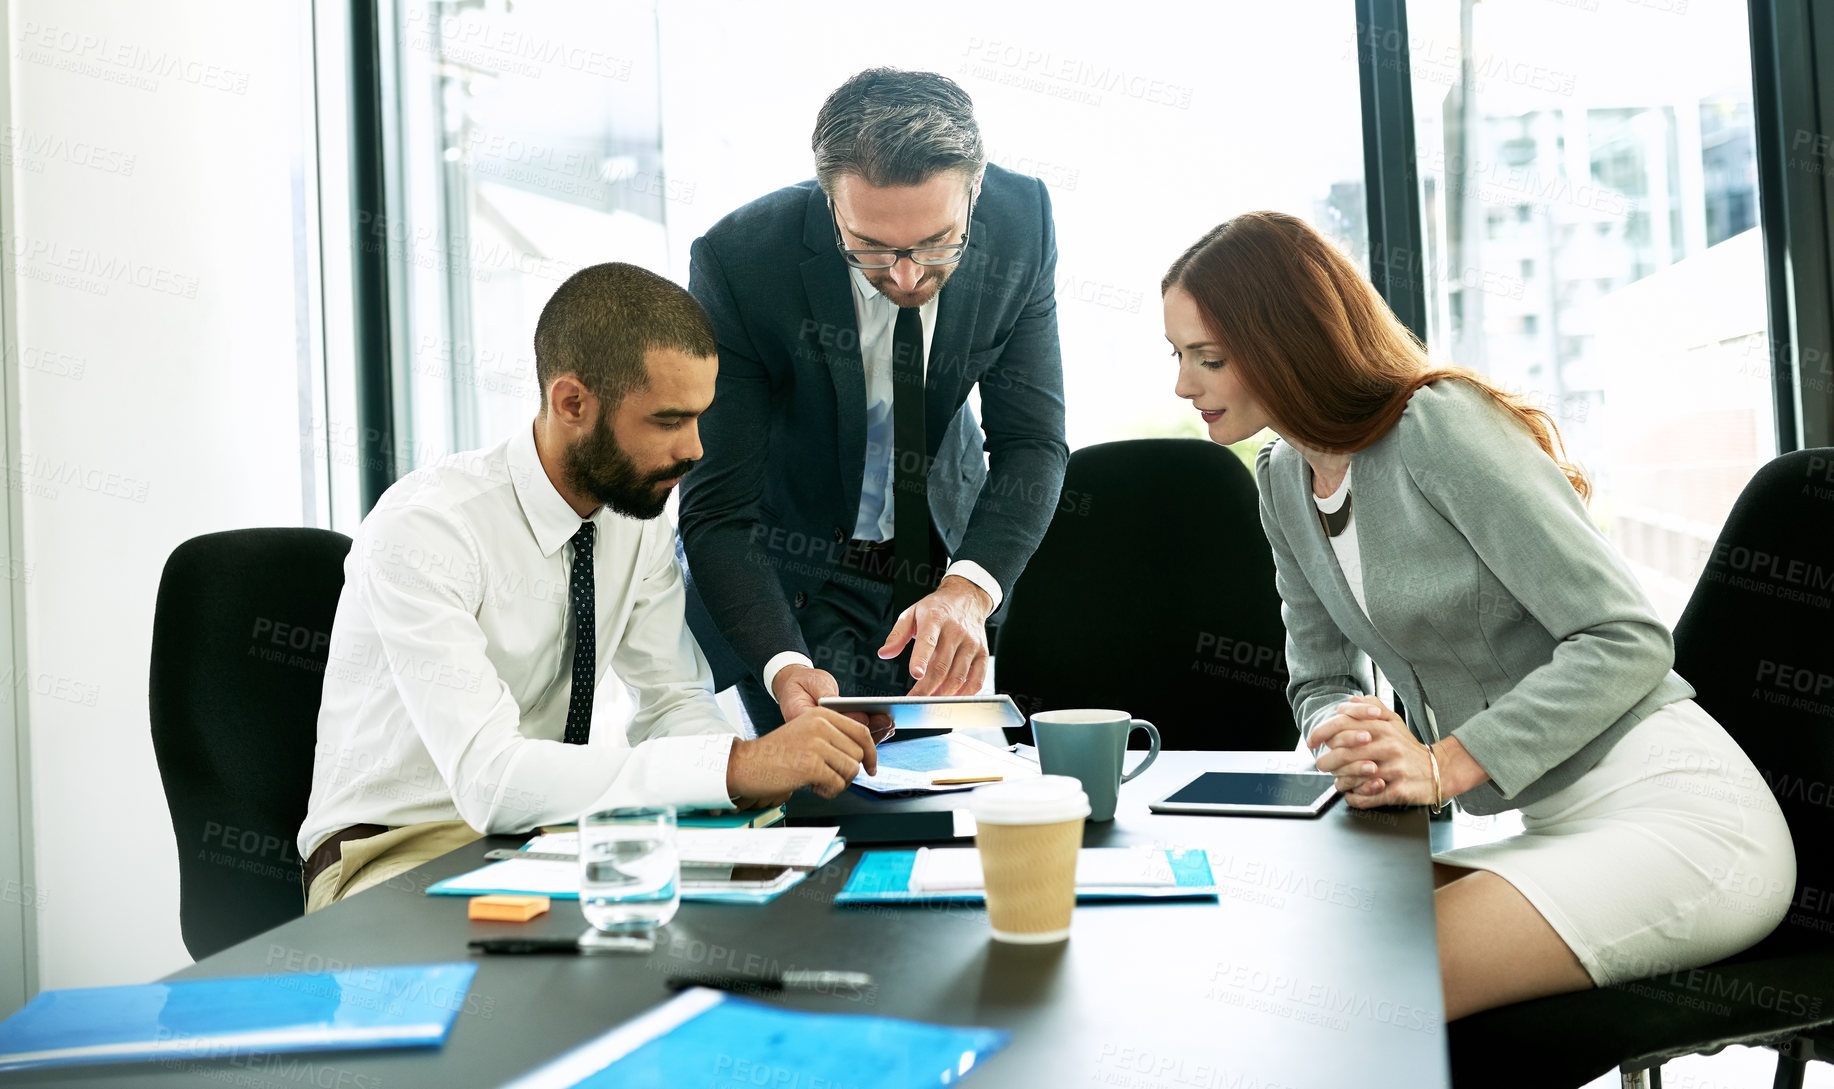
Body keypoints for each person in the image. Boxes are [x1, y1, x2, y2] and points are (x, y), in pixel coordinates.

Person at [1162, 212, 1794, 1019]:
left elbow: (1627, 636)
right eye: (1178, 357)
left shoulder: (1436, 425)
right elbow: (1319, 677)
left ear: (1285, 340)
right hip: (1550, 821)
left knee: (1373, 983)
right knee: (1300, 934)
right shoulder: (1282, 481)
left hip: (1680, 816)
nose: (1184, 386)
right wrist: (1354, 735)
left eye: (1207, 358)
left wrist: (1442, 764)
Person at [298, 262, 878, 911]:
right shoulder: (429, 529)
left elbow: (672, 704)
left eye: (700, 418)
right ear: (571, 402)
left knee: (753, 923)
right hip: (398, 850)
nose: (695, 451)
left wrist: (744, 775)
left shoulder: (636, 517)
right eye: (667, 420)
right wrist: (736, 766)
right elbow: (490, 780)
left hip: (544, 838)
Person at [678, 67, 1068, 734]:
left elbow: (1032, 441)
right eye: (872, 250)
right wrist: (781, 663)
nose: (908, 276)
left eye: (937, 244)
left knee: (945, 801)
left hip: (940, 558)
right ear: (832, 202)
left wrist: (970, 588)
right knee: (817, 811)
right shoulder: (741, 263)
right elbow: (719, 507)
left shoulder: (1021, 222)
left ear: (975, 189)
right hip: (790, 575)